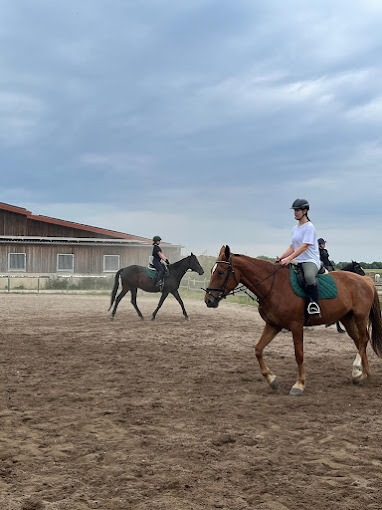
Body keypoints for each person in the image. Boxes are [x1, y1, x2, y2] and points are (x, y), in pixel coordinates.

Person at [276, 199, 321, 316]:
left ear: (305, 211)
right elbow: (292, 246)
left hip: (310, 260)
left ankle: (314, 304)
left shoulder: (309, 227)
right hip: (297, 260)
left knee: (309, 276)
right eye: (294, 210)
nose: (295, 212)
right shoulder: (295, 229)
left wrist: (289, 259)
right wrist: (281, 257)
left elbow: (304, 246)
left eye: (298, 210)